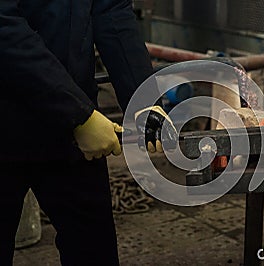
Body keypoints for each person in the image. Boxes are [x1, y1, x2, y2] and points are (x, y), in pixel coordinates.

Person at [0, 0, 176, 265]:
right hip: (9, 122)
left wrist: (144, 101)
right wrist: (78, 116)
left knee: (93, 250)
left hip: (70, 133)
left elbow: (112, 10)